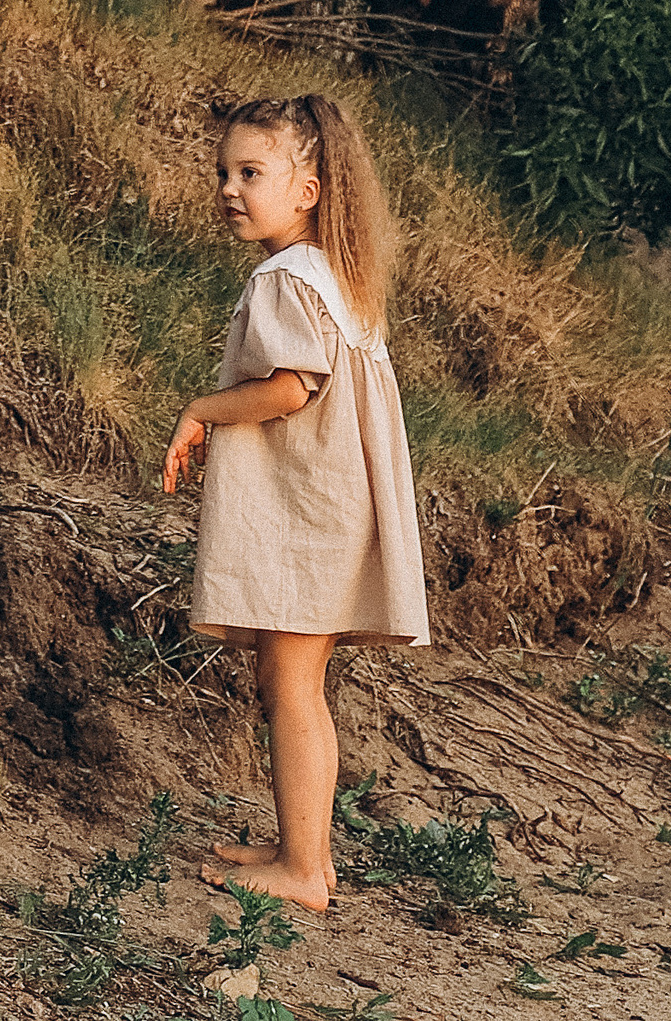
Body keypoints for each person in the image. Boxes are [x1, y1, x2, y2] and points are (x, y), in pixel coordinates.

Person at [161, 91, 428, 910]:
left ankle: (305, 871)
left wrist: (201, 409)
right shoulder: (334, 275)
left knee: (294, 686)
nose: (229, 188)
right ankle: (297, 844)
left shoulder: (284, 277)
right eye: (222, 172)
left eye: (250, 171)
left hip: (311, 512)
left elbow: (286, 388)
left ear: (307, 190)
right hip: (333, 504)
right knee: (291, 679)